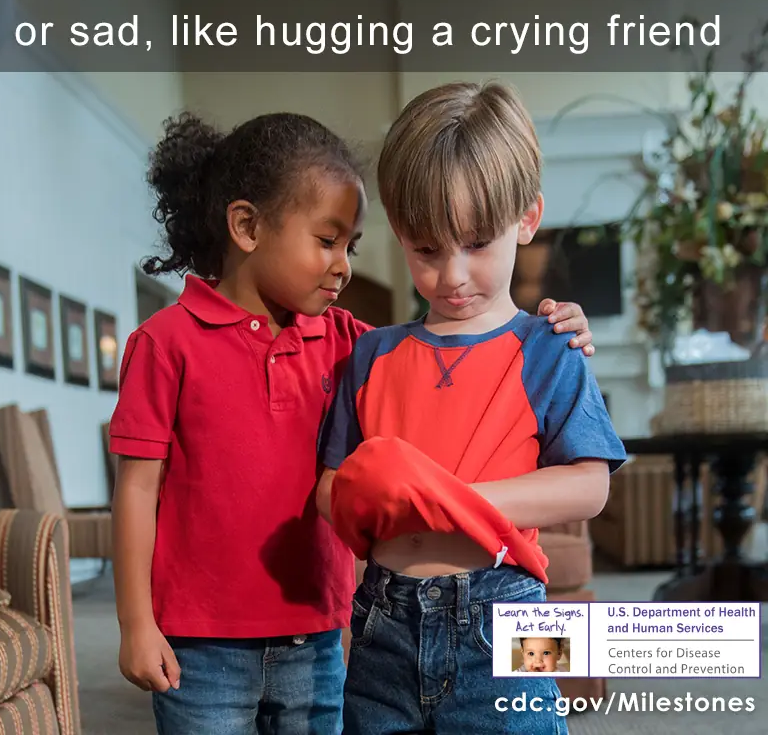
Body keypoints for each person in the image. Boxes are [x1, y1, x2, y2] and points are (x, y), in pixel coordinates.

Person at [109, 108, 599, 735]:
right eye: (327, 241)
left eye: (352, 246)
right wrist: (135, 623)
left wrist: (558, 328)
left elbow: (448, 347)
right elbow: (137, 489)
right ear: (247, 227)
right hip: (212, 638)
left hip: (324, 629)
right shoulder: (171, 342)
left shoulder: (352, 343)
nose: (343, 265)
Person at [316, 81, 627, 735]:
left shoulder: (550, 346)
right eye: (426, 249)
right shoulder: (371, 356)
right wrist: (366, 496)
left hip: (511, 607)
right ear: (400, 234)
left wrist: (446, 500)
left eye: (478, 242)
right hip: (383, 617)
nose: (453, 275)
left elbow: (590, 486)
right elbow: (329, 488)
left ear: (527, 218)